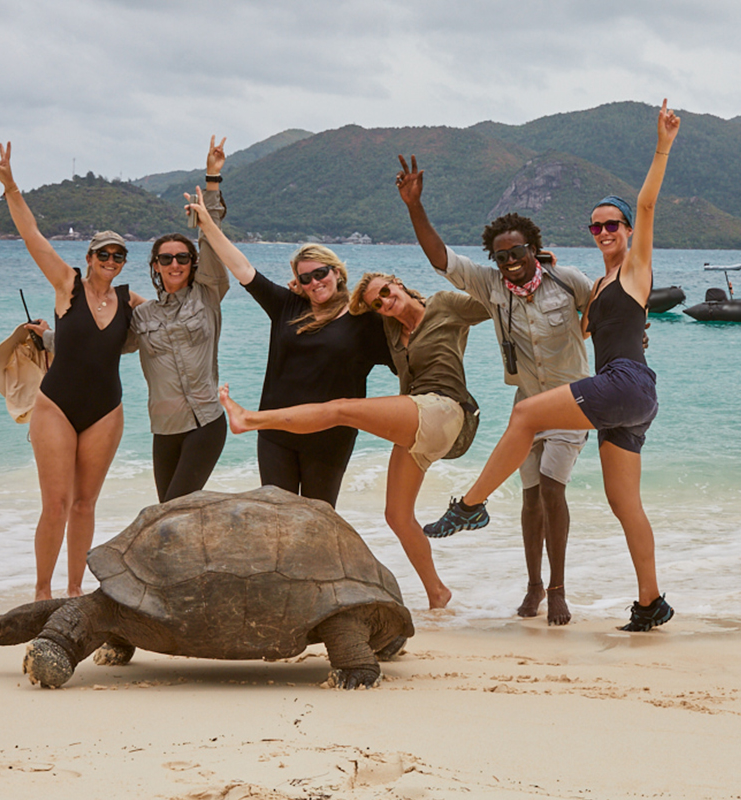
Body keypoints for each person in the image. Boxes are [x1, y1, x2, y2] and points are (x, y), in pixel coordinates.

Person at [423, 99, 681, 632]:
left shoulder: (634, 269)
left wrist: (662, 146)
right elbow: (597, 324)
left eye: (613, 225)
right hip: (629, 398)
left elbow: (649, 204)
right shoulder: (598, 284)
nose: (605, 232)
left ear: (628, 230)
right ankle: (651, 602)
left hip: (624, 382)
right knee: (623, 503)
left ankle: (470, 505)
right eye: (596, 227)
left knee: (525, 417)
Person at [214, 268, 490, 610]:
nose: (386, 302)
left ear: (398, 281)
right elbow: (341, 314)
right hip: (418, 419)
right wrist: (304, 292)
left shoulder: (444, 305)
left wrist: (539, 273)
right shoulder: (388, 327)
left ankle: (251, 419)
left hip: (446, 410)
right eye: (378, 303)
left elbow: (497, 304)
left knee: (341, 409)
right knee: (397, 516)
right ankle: (437, 592)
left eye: (387, 292)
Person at [395, 156, 591, 625]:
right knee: (528, 498)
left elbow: (607, 311)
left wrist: (635, 335)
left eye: (517, 252)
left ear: (533, 248)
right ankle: (534, 586)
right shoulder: (490, 286)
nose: (510, 263)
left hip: (571, 400)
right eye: (501, 257)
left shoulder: (569, 281)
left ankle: (559, 589)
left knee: (551, 488)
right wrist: (414, 206)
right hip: (527, 404)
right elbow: (441, 259)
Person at [0, 142, 146, 601]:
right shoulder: (66, 283)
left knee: (84, 505)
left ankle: (76, 592)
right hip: (55, 405)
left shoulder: (130, 300)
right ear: (90, 256)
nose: (111, 263)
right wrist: (11, 186)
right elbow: (32, 235)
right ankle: (42, 593)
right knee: (54, 505)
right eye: (104, 255)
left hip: (105, 411)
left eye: (119, 257)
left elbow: (171, 319)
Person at [182, 191, 393, 507]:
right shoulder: (287, 306)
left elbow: (406, 357)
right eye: (305, 277)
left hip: (329, 439)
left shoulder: (365, 321)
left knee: (317, 522)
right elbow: (241, 267)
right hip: (275, 433)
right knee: (276, 520)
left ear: (337, 272)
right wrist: (208, 224)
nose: (314, 282)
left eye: (320, 273)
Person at [131, 136, 232, 502]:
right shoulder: (141, 316)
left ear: (193, 264)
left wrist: (212, 180)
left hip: (206, 422)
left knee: (174, 510)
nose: (175, 264)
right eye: (166, 258)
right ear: (156, 266)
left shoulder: (208, 294)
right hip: (164, 429)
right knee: (168, 513)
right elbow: (98, 341)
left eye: (182, 258)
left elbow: (213, 237)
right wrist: (48, 339)